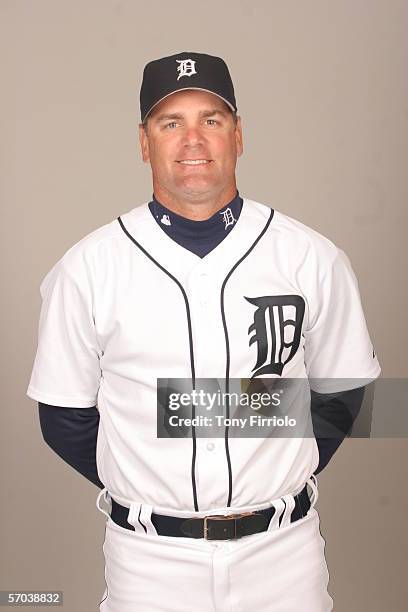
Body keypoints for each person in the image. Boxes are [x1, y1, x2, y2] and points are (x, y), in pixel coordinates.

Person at [27, 51, 381, 611]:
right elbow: (63, 419)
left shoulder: (310, 256)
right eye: (172, 123)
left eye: (211, 120)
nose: (193, 139)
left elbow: (346, 395)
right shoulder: (89, 267)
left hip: (283, 555)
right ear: (144, 142)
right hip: (147, 561)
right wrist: (147, 478)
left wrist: (261, 460)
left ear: (238, 136)